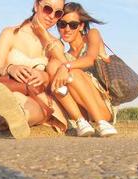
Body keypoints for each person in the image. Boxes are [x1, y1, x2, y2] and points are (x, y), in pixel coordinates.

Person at [0, 0, 68, 140]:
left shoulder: (55, 44)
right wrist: (10, 68)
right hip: (4, 91)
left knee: (24, 104)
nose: (51, 16)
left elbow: (65, 70)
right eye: (47, 9)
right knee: (6, 98)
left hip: (34, 97)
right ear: (36, 5)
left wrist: (45, 76)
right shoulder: (10, 33)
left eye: (58, 13)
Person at [32, 2, 118, 137]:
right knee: (53, 65)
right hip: (82, 112)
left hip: (102, 109)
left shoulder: (91, 35)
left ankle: (101, 123)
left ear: (81, 25)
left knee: (71, 71)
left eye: (73, 25)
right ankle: (80, 121)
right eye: (62, 24)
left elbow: (89, 59)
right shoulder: (64, 55)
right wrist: (43, 33)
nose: (67, 29)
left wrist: (66, 66)